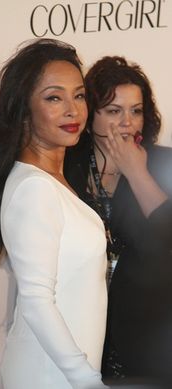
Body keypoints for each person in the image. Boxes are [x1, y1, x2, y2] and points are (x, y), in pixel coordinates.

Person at [0, 38, 108, 389]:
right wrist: (86, 380)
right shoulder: (35, 190)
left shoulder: (51, 179)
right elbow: (37, 302)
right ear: (23, 110)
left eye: (78, 95)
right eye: (54, 98)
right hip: (51, 376)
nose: (74, 111)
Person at [64, 56, 172, 387]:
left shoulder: (164, 164)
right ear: (89, 112)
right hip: (80, 328)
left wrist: (137, 172)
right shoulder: (67, 167)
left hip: (149, 338)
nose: (127, 122)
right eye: (113, 111)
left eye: (136, 111)